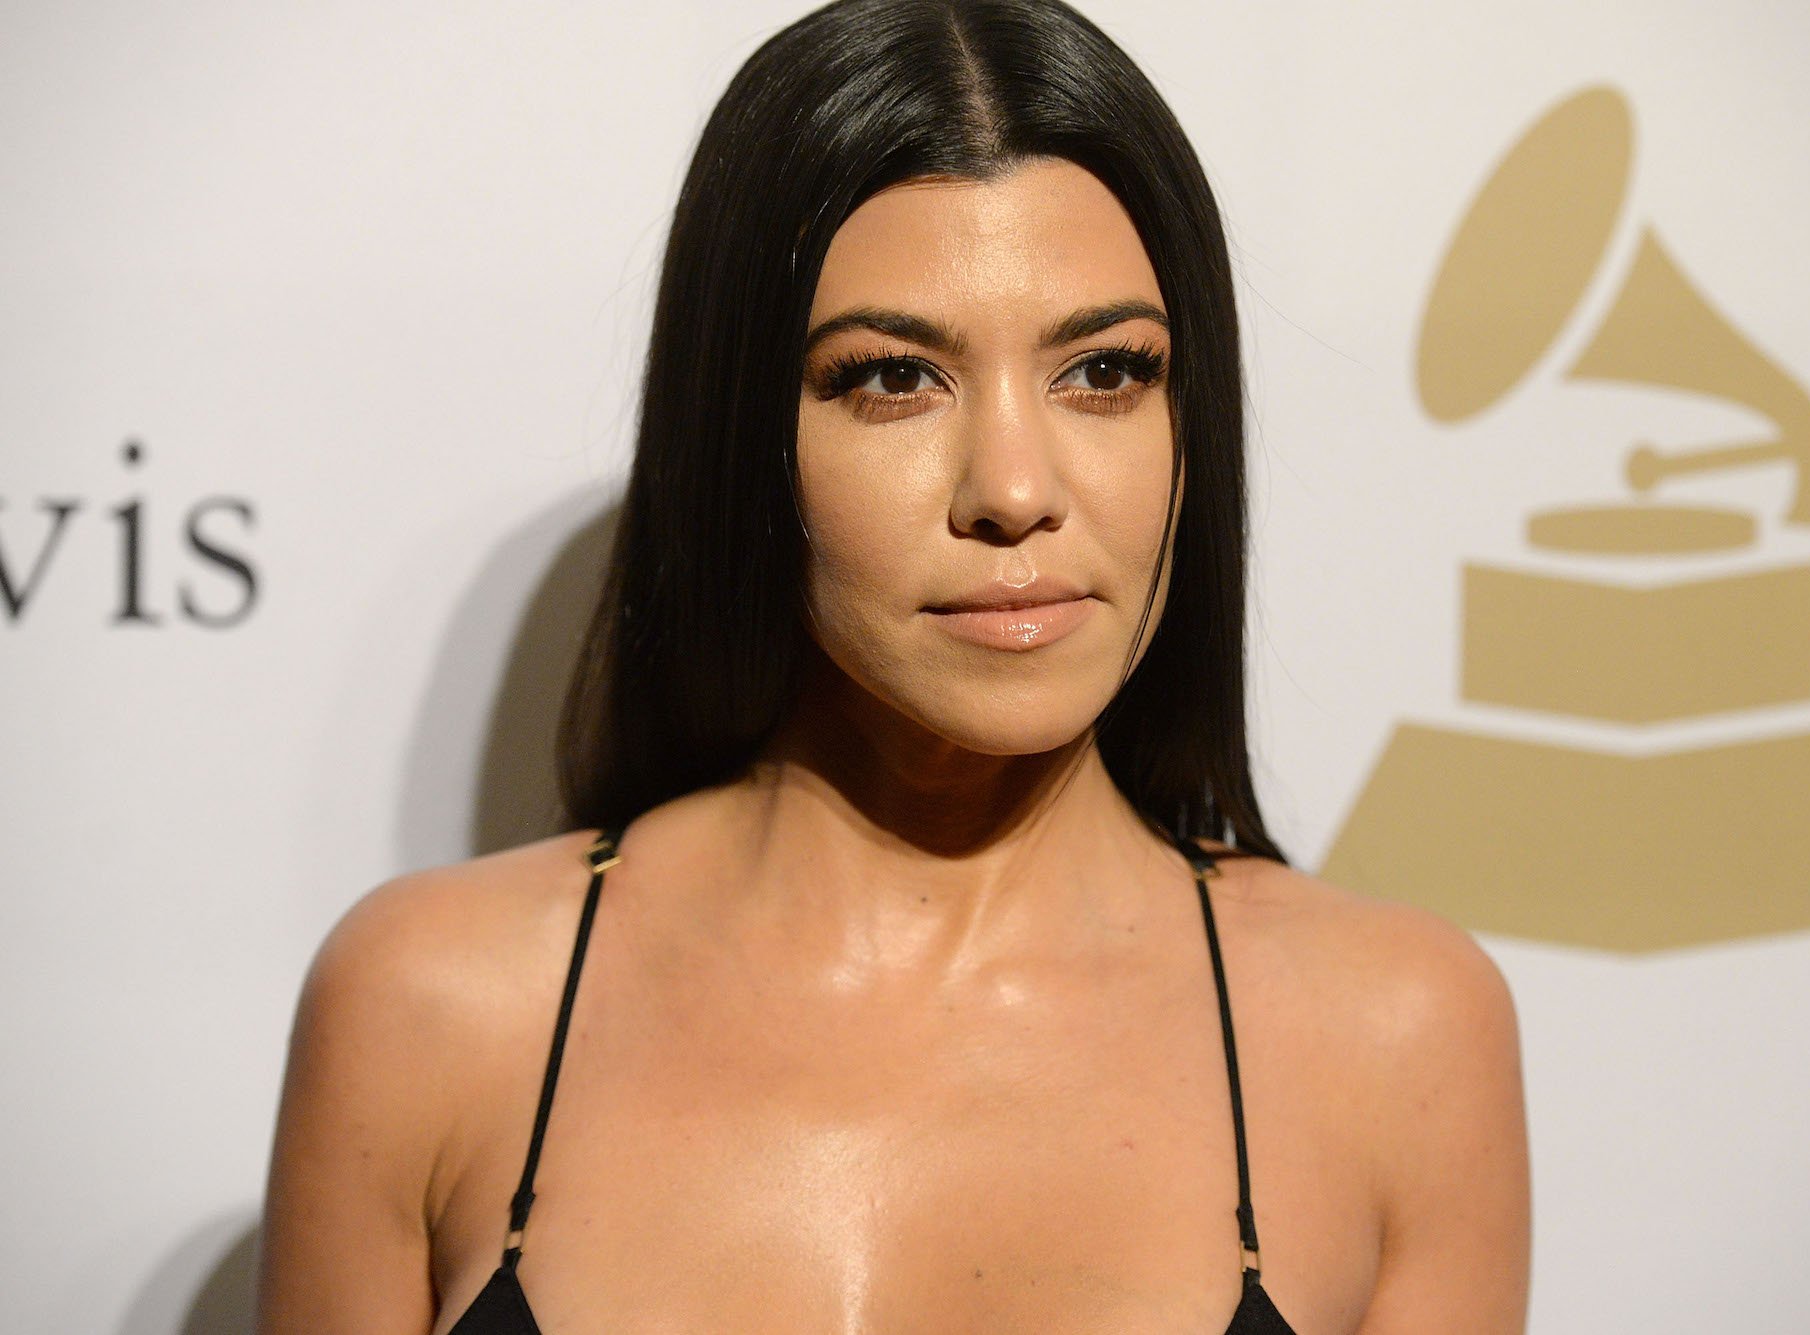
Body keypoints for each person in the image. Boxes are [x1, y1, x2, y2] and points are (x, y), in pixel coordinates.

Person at [255, 0, 1531, 1330]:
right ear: (744, 433)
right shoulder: (433, 1007)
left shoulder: (1396, 1037)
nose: (1015, 490)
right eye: (892, 379)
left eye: (1105, 370)